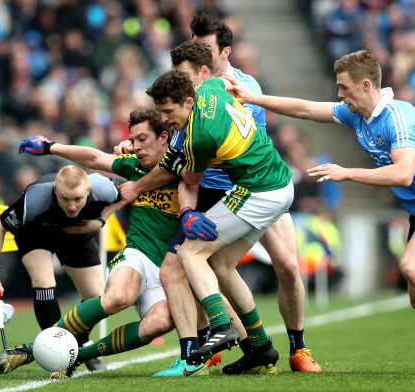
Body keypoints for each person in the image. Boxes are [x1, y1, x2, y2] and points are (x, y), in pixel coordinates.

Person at [223, 49, 415, 374]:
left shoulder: (399, 118)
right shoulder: (356, 114)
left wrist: (347, 172)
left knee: (412, 267)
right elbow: (304, 108)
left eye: (344, 88)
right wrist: (251, 98)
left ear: (367, 85)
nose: (339, 95)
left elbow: (404, 174)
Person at [0, 108, 215, 378]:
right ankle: (32, 349)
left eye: (142, 139)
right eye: (132, 140)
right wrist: (52, 147)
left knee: (159, 323)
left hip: (171, 269)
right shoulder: (132, 165)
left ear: (165, 137)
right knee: (118, 297)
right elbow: (95, 158)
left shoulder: (188, 168)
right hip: (137, 254)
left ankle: (77, 355)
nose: (135, 146)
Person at [119, 66, 294, 374]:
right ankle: (260, 347)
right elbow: (220, 80)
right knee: (222, 265)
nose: (166, 119)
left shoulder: (199, 137)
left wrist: (185, 207)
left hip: (258, 190)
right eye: (160, 112)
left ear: (187, 102)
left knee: (188, 254)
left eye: (168, 111)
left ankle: (220, 326)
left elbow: (188, 180)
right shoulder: (209, 88)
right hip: (278, 182)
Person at [190, 13, 321, 372]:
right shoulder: (189, 84)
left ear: (225, 51)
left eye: (205, 48)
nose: (198, 55)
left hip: (255, 188)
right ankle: (244, 345)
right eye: (194, 46)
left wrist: (192, 154)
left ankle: (298, 349)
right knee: (206, 263)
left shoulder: (246, 87)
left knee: (289, 267)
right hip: (212, 192)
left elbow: (248, 148)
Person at [0, 165, 120, 373]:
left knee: (97, 295)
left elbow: (129, 194)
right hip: (36, 233)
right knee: (44, 281)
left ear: (88, 191)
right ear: (55, 189)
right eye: (65, 199)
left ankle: (81, 342)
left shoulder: (105, 187)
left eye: (78, 199)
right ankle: (57, 352)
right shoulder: (34, 199)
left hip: (75, 233)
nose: (72, 206)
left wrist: (101, 220)